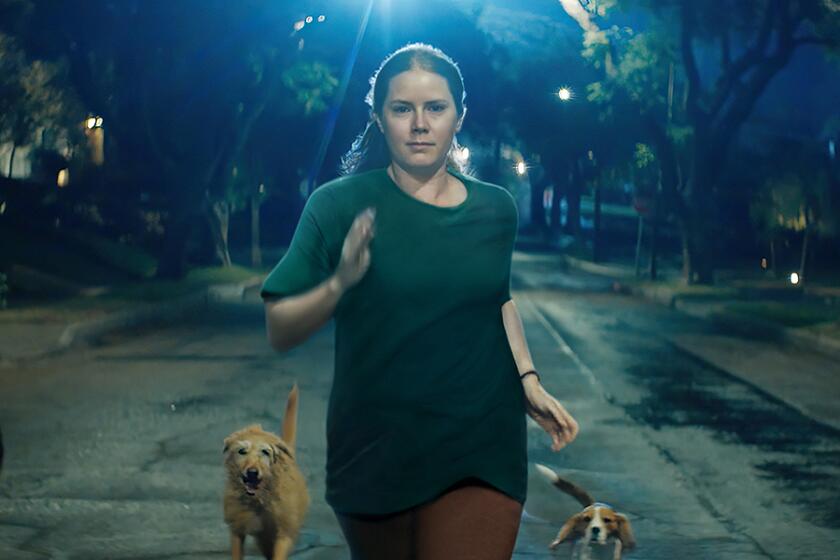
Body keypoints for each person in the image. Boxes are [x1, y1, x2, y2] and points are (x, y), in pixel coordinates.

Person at [261, 43, 579, 560]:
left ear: (459, 116)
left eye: (435, 108)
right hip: (375, 448)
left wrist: (529, 381)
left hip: (481, 443)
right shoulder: (336, 205)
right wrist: (338, 284)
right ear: (379, 118)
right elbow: (280, 326)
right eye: (402, 108)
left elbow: (496, 300)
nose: (419, 124)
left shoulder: (495, 209)